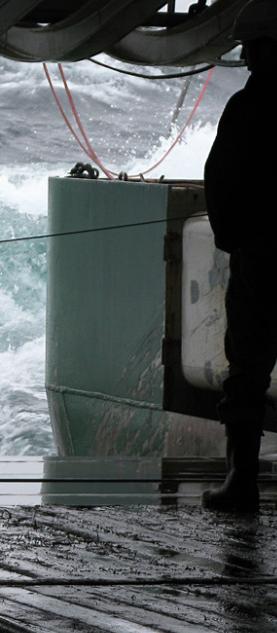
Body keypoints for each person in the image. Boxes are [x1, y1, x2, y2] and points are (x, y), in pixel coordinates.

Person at [201, 0, 277, 513]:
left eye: (251, 45)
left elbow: (220, 177)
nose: (246, 56)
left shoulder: (249, 106)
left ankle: (241, 481)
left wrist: (234, 239)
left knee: (247, 368)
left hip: (263, 258)